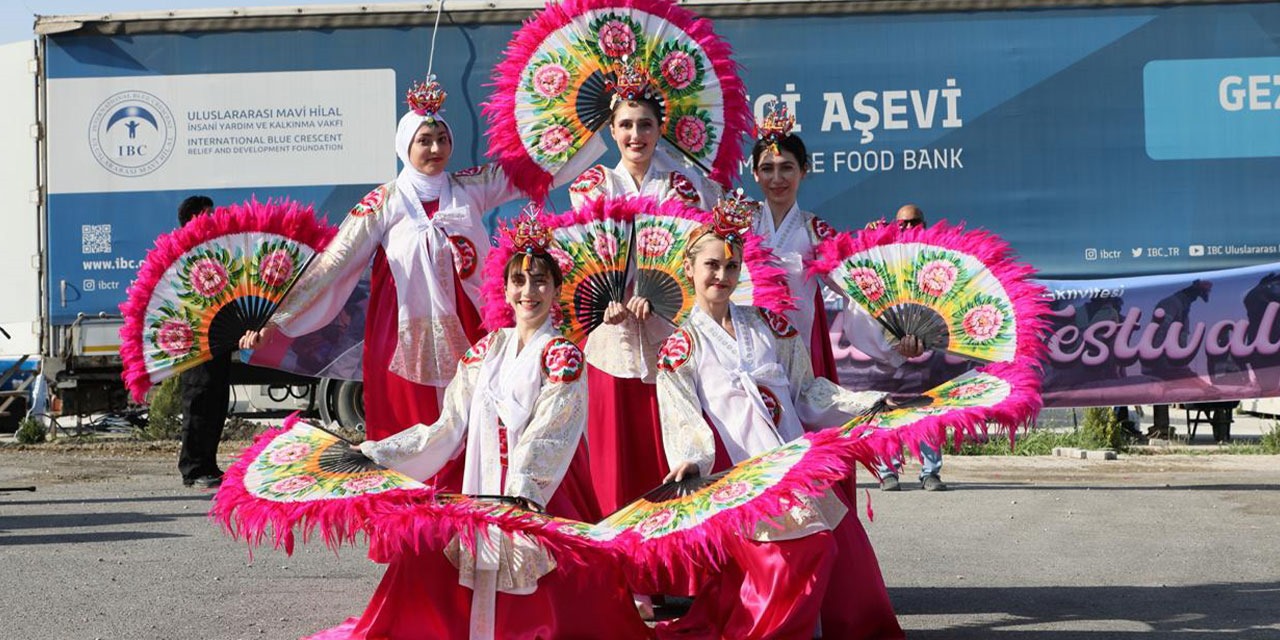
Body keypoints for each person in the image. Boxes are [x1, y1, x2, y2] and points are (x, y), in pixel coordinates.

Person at [312, 215, 651, 640]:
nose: (530, 292)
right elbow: (448, 426)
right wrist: (380, 451)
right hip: (480, 484)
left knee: (565, 600)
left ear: (557, 289)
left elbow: (551, 433)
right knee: (427, 568)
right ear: (506, 289)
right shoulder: (484, 351)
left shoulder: (563, 355)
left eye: (541, 281)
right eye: (520, 281)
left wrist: (522, 492)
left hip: (541, 490)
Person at [240, 76, 602, 451]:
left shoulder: (469, 188)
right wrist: (276, 319)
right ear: (404, 146)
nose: (435, 148)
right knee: (407, 422)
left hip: (471, 326)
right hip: (401, 332)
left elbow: (529, 173)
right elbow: (333, 263)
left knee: (475, 414)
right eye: (424, 141)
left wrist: (585, 128)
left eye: (442, 140)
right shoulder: (383, 202)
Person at [655, 194, 904, 640]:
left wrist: (863, 402)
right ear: (689, 268)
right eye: (711, 265)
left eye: (731, 267)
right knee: (805, 549)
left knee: (845, 561)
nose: (721, 276)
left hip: (794, 461)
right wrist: (691, 459)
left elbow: (808, 392)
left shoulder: (772, 325)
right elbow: (682, 413)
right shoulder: (680, 345)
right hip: (744, 472)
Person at [568, 64, 723, 519]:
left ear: (659, 130)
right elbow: (588, 261)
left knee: (673, 456)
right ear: (611, 130)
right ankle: (626, 577)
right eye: (626, 125)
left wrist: (662, 298)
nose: (636, 134)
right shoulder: (590, 187)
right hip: (609, 342)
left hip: (668, 339)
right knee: (614, 462)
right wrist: (605, 304)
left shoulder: (684, 188)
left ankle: (674, 568)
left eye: (645, 125)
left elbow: (696, 259)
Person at [869, 204, 949, 492]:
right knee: (887, 408)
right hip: (889, 345)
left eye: (914, 223)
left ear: (924, 224)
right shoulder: (882, 257)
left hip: (928, 344)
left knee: (928, 408)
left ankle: (930, 473)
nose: (908, 228)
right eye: (902, 224)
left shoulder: (939, 260)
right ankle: (887, 471)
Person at [176, 195, 228, 489]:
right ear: (195, 218)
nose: (214, 218)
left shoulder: (213, 250)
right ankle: (192, 467)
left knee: (216, 401)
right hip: (194, 340)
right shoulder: (181, 252)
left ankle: (208, 462)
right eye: (209, 214)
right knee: (197, 401)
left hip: (218, 338)